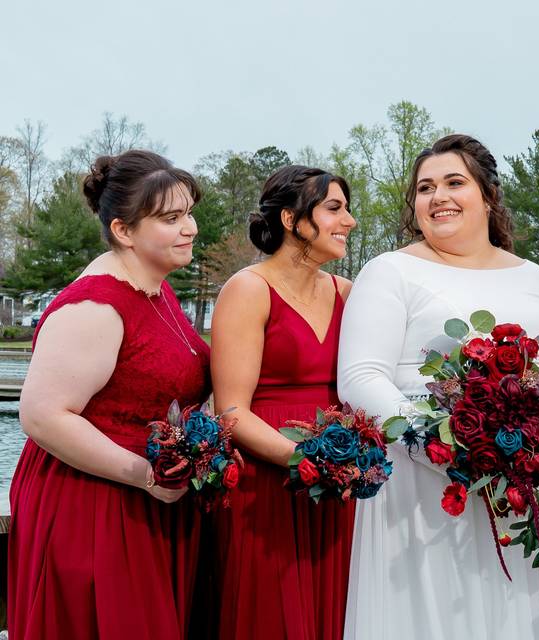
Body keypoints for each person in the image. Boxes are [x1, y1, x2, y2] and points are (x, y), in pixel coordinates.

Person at [337, 134, 539, 639]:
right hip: (423, 481)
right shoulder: (390, 270)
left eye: (454, 182)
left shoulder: (535, 277)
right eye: (424, 188)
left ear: (487, 195)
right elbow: (359, 378)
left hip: (518, 483)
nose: (437, 196)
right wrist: (445, 442)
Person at [8, 150, 210, 639]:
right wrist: (145, 476)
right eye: (171, 218)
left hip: (145, 498)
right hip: (92, 503)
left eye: (189, 213)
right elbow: (42, 415)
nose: (190, 228)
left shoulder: (156, 292)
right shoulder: (95, 306)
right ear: (123, 230)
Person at [210, 165, 356, 639]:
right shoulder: (248, 289)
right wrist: (304, 459)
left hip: (339, 484)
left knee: (331, 614)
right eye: (334, 209)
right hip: (268, 479)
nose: (349, 221)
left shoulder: (348, 293)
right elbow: (230, 410)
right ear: (292, 220)